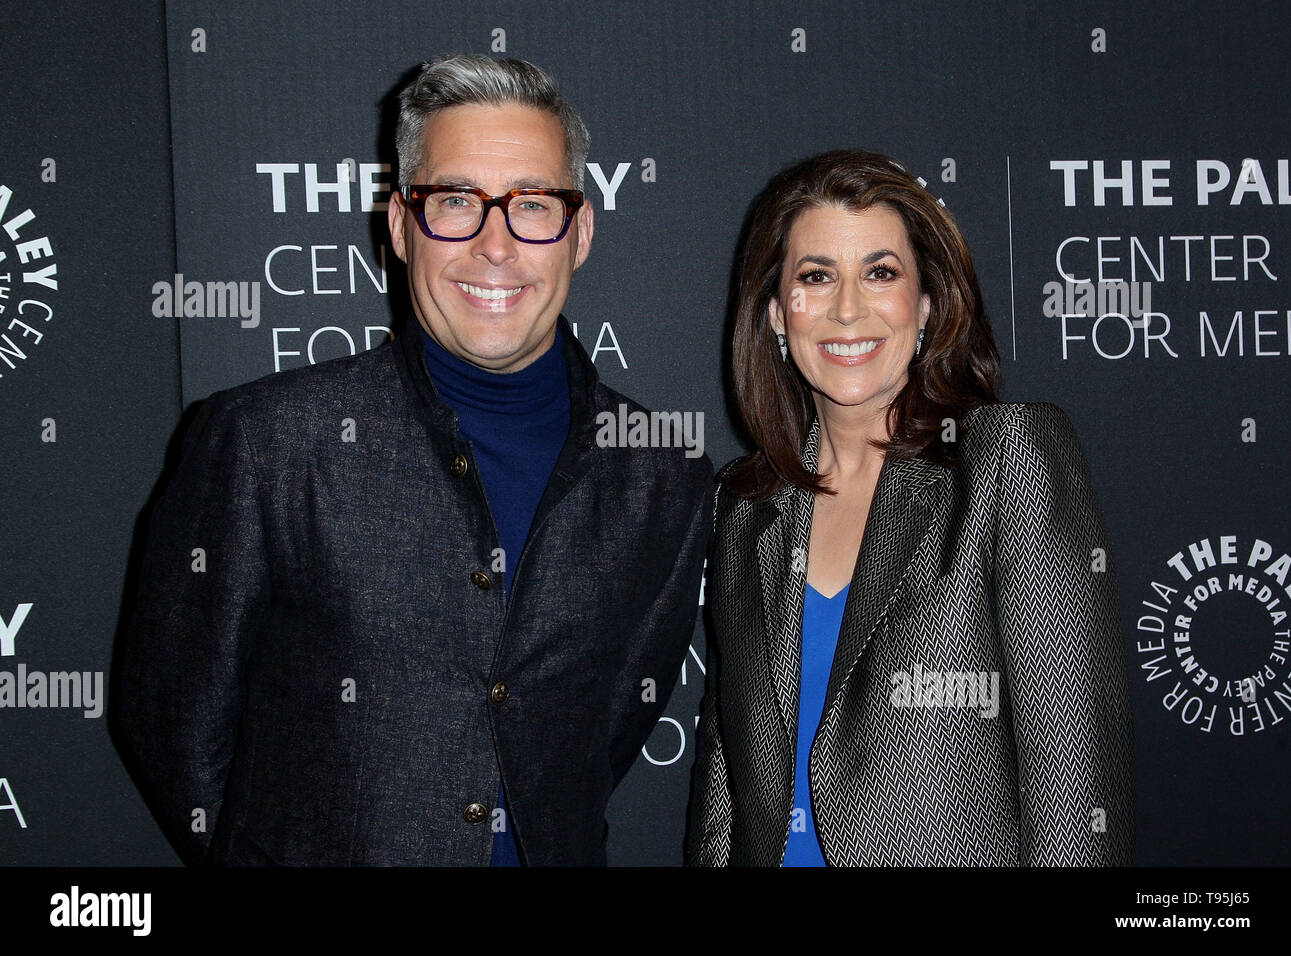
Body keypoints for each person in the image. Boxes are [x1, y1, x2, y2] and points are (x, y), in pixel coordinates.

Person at [114, 54, 713, 866]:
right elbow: (174, 719)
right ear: (400, 225)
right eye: (457, 202)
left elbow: (607, 732)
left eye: (532, 204)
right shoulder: (267, 443)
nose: (495, 245)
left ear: (581, 231)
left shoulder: (660, 473)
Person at [686, 150, 1134, 866]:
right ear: (775, 313)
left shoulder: (1006, 459)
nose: (846, 309)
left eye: (880, 273)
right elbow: (726, 778)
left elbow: (1073, 776)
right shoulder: (746, 510)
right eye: (815, 276)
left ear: (926, 306)